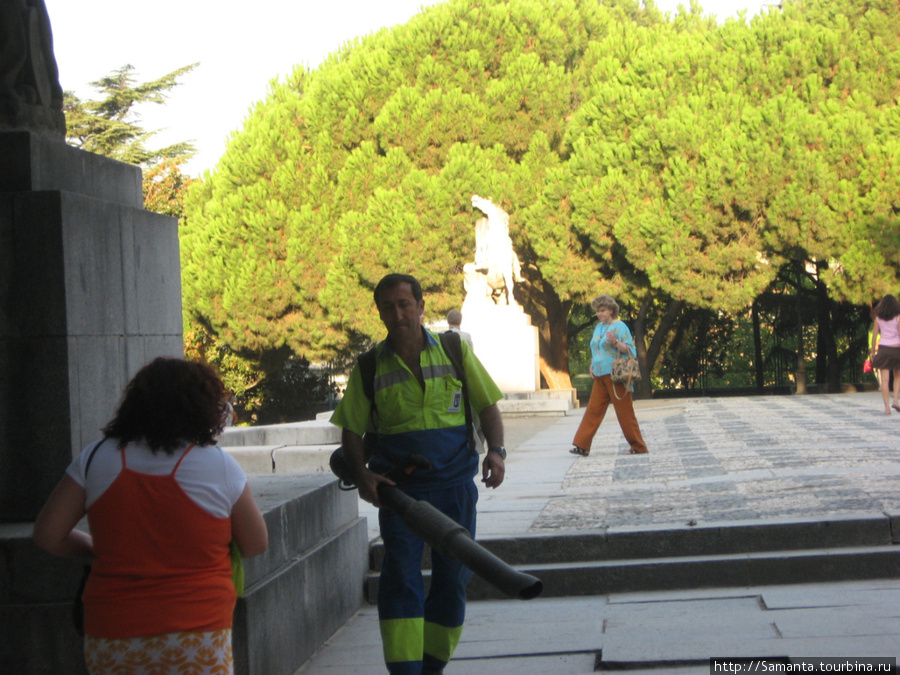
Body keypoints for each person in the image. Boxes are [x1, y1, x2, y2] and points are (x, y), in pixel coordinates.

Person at [33, 357, 268, 675]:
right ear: (202, 408)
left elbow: (48, 535)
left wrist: (97, 549)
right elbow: (256, 544)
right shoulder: (218, 466)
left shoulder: (95, 459)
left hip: (113, 633)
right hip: (199, 631)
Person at [331, 273, 506, 675]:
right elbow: (351, 431)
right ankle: (405, 672)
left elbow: (487, 407)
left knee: (452, 581)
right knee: (401, 581)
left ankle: (432, 667)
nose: (398, 314)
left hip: (455, 488)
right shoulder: (369, 366)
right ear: (379, 313)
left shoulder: (453, 351)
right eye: (388, 307)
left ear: (421, 307)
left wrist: (496, 452)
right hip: (401, 494)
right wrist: (363, 477)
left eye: (405, 304)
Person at [569, 295, 648, 456]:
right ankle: (582, 445)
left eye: (602, 310)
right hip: (599, 375)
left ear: (611, 310)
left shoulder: (620, 327)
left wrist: (615, 342)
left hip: (616, 375)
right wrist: (592, 364)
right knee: (593, 410)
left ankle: (638, 446)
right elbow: (596, 348)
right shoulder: (598, 327)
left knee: (624, 411)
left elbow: (631, 351)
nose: (599, 314)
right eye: (597, 311)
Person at [870, 294, 900, 415]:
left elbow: (875, 334)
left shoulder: (878, 318)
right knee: (898, 377)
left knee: (884, 380)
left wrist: (873, 351)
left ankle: (887, 407)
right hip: (897, 349)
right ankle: (896, 401)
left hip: (883, 350)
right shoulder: (898, 317)